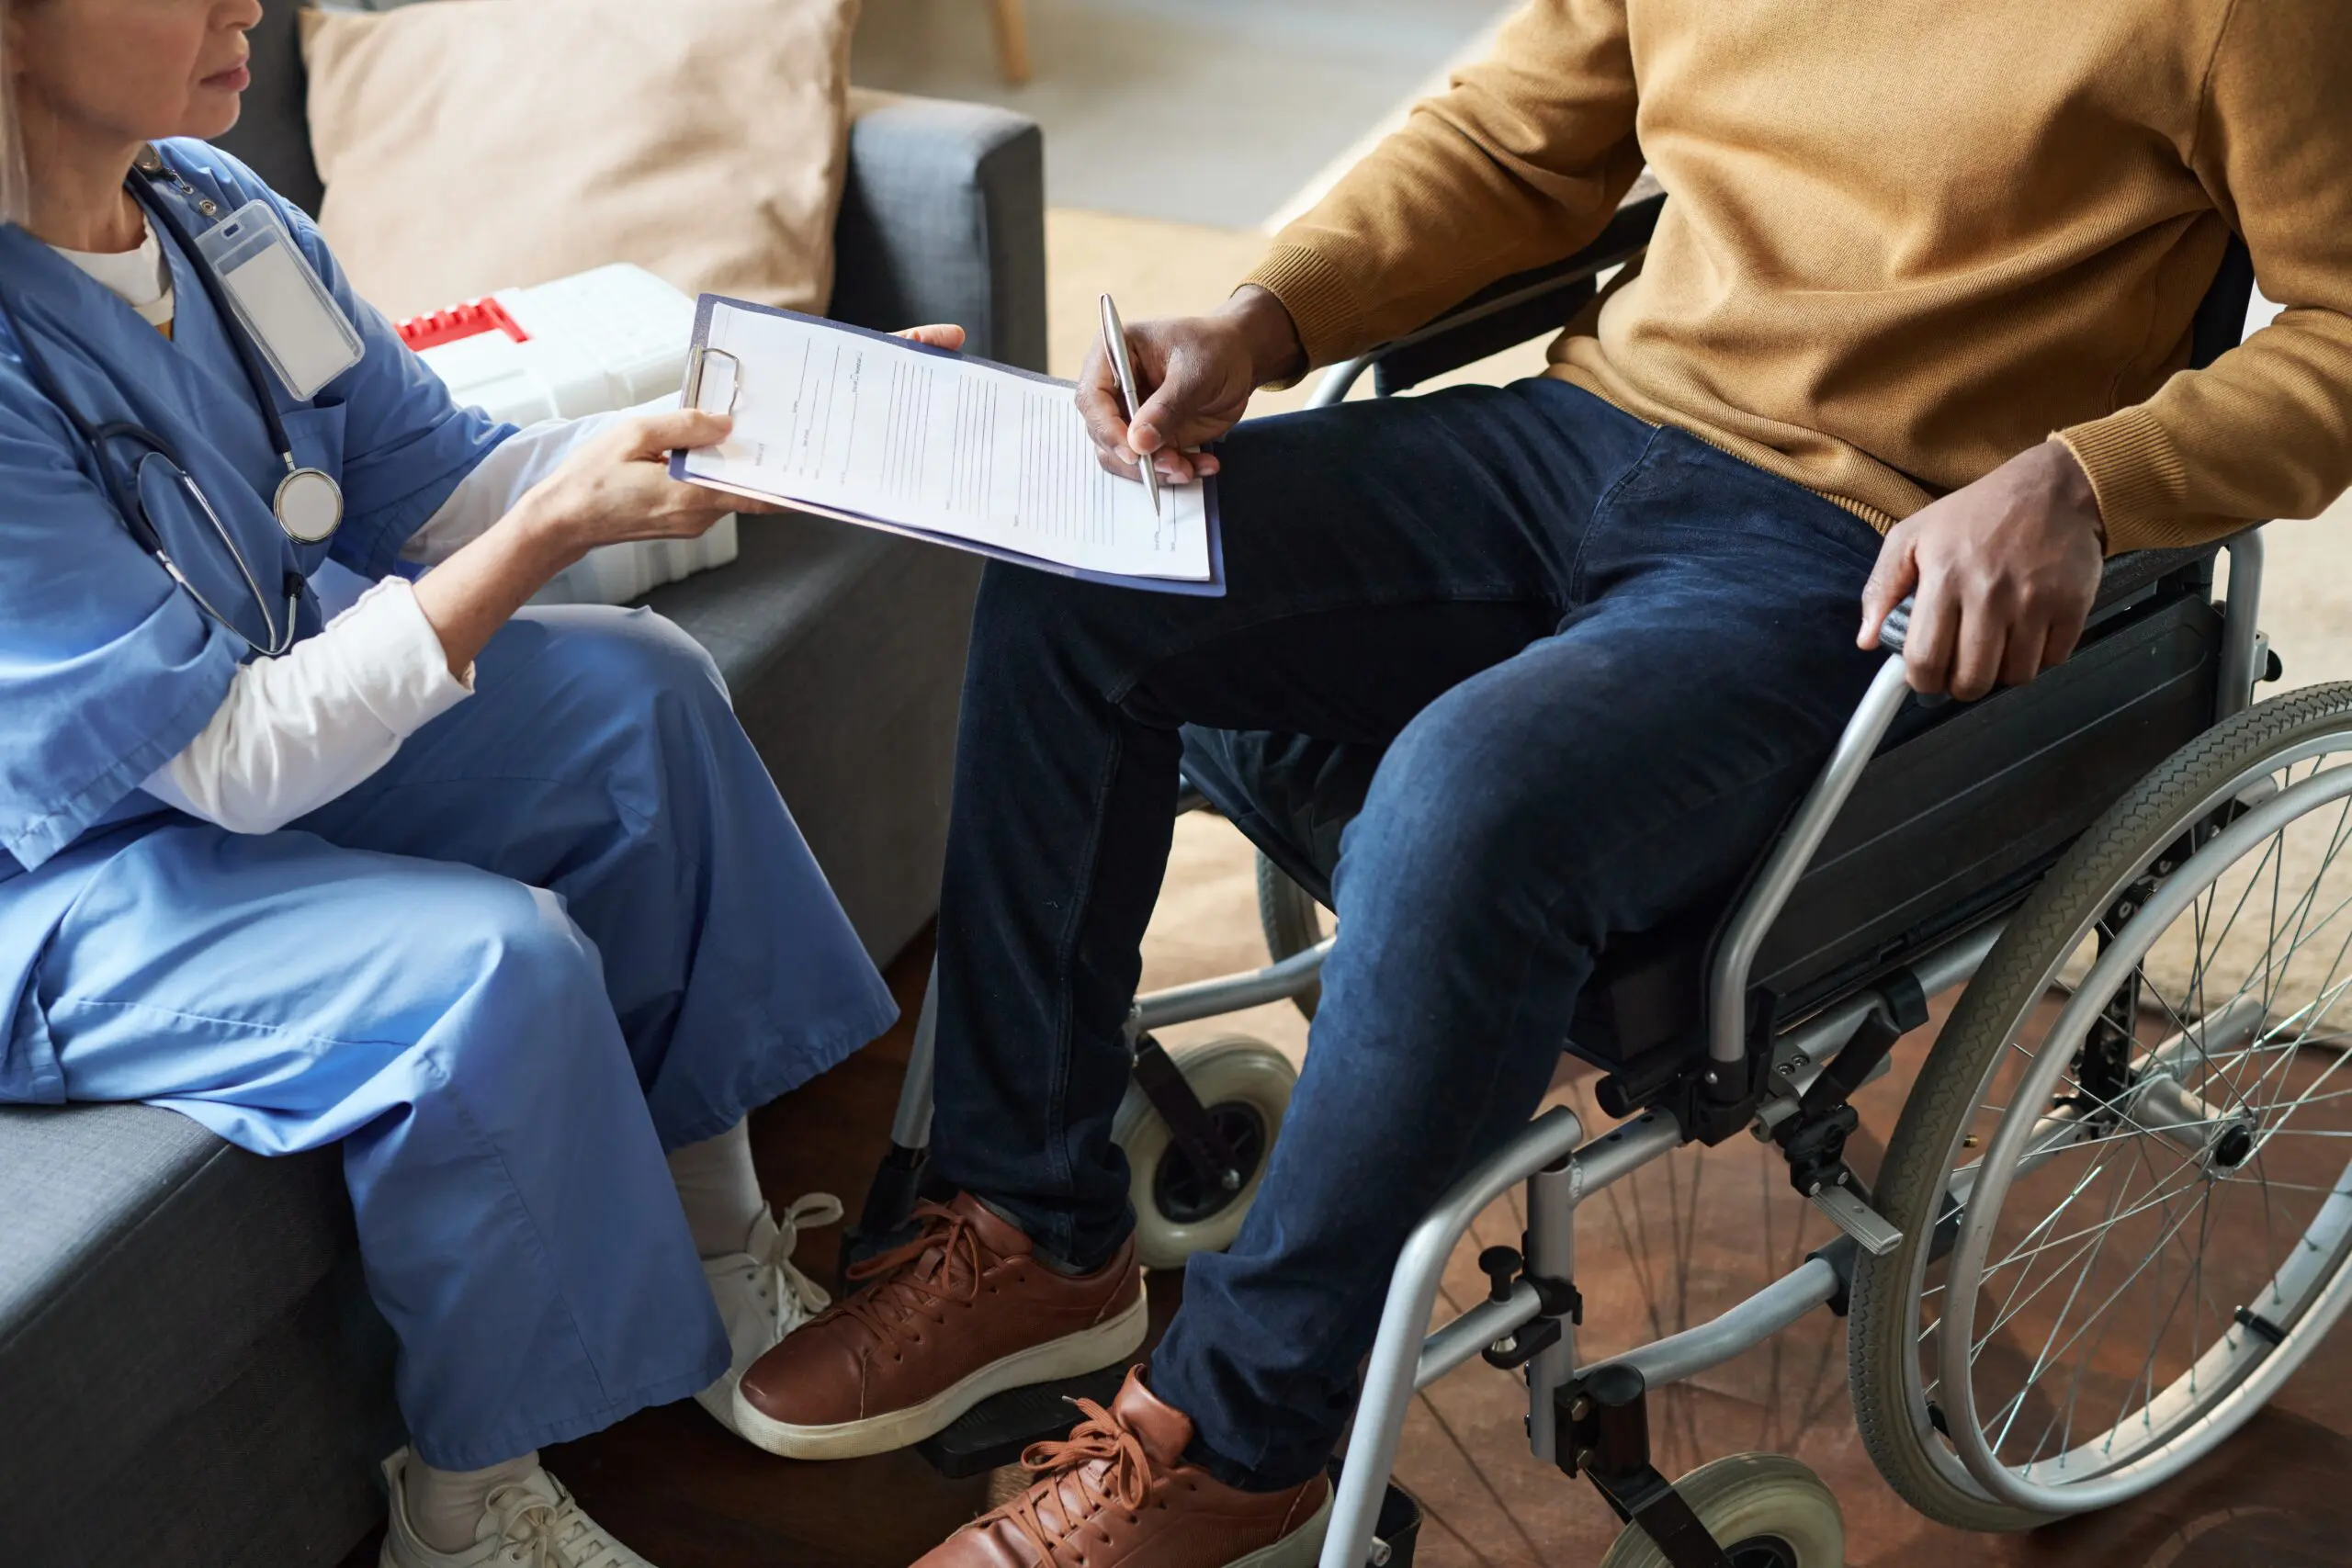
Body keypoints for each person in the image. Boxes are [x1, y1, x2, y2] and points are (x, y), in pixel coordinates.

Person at [734, 0, 2352, 1563]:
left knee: (1464, 793)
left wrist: (2086, 478)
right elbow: (1526, 134)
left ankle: (1233, 1441)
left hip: (1857, 549)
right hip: (1579, 436)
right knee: (1076, 574)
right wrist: (1263, 315)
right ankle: (1031, 1228)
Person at [0, 4, 962, 1564]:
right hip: (72, 871)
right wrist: (540, 539)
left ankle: (722, 1261)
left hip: (259, 719)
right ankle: (461, 1511)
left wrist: (734, 435)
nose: (242, 1)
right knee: (492, 967)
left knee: (642, 697)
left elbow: (438, 482)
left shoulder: (218, 211)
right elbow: (226, 766)